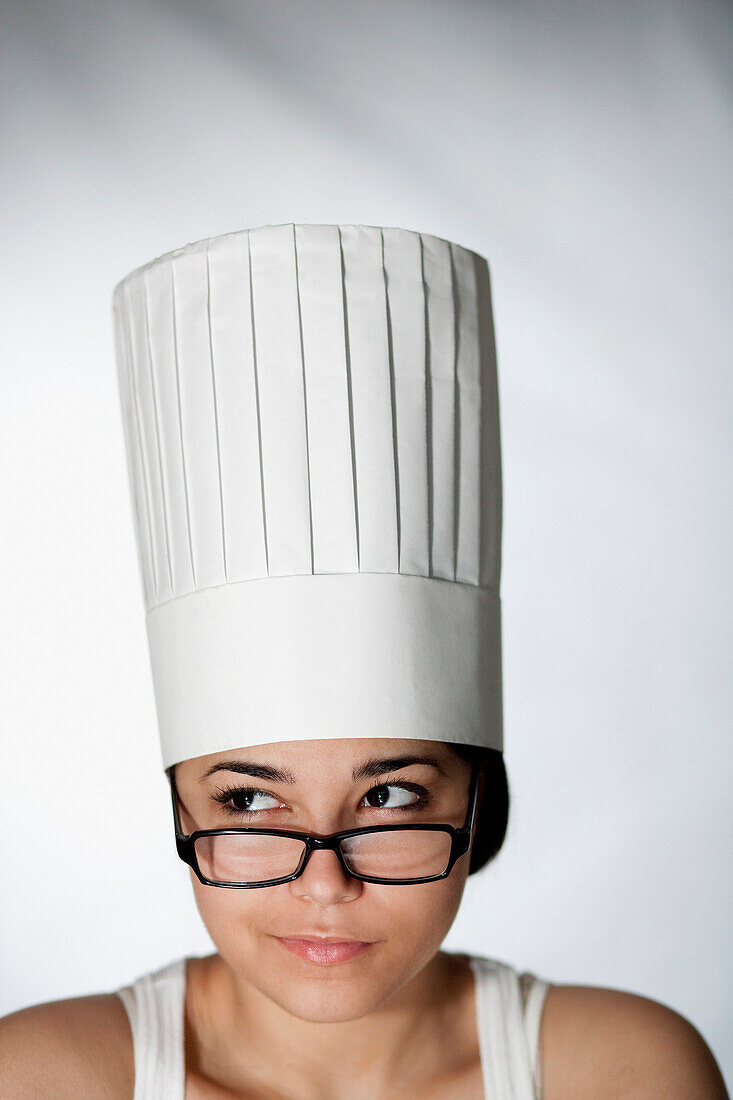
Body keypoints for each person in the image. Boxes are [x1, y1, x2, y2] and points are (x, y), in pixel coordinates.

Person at [0, 224, 726, 1099]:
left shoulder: (619, 1070)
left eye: (388, 797)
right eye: (250, 801)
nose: (324, 885)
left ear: (476, 803)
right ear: (181, 813)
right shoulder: (44, 1075)